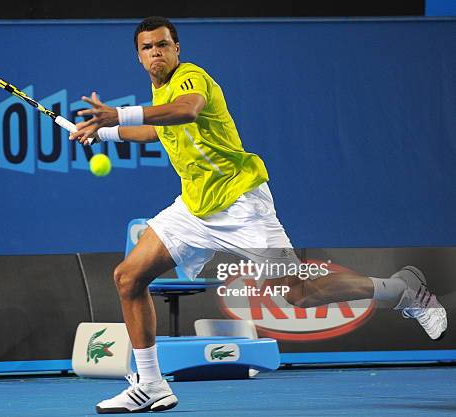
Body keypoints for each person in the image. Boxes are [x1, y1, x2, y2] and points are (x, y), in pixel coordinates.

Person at [70, 16, 448, 414]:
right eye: (147, 48)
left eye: (163, 45)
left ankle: (401, 289)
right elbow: (158, 130)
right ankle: (150, 384)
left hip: (241, 204)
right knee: (128, 277)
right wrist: (104, 132)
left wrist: (120, 115)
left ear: (177, 49)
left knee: (299, 293)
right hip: (195, 207)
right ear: (139, 57)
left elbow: (187, 111)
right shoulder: (158, 89)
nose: (156, 53)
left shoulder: (190, 78)